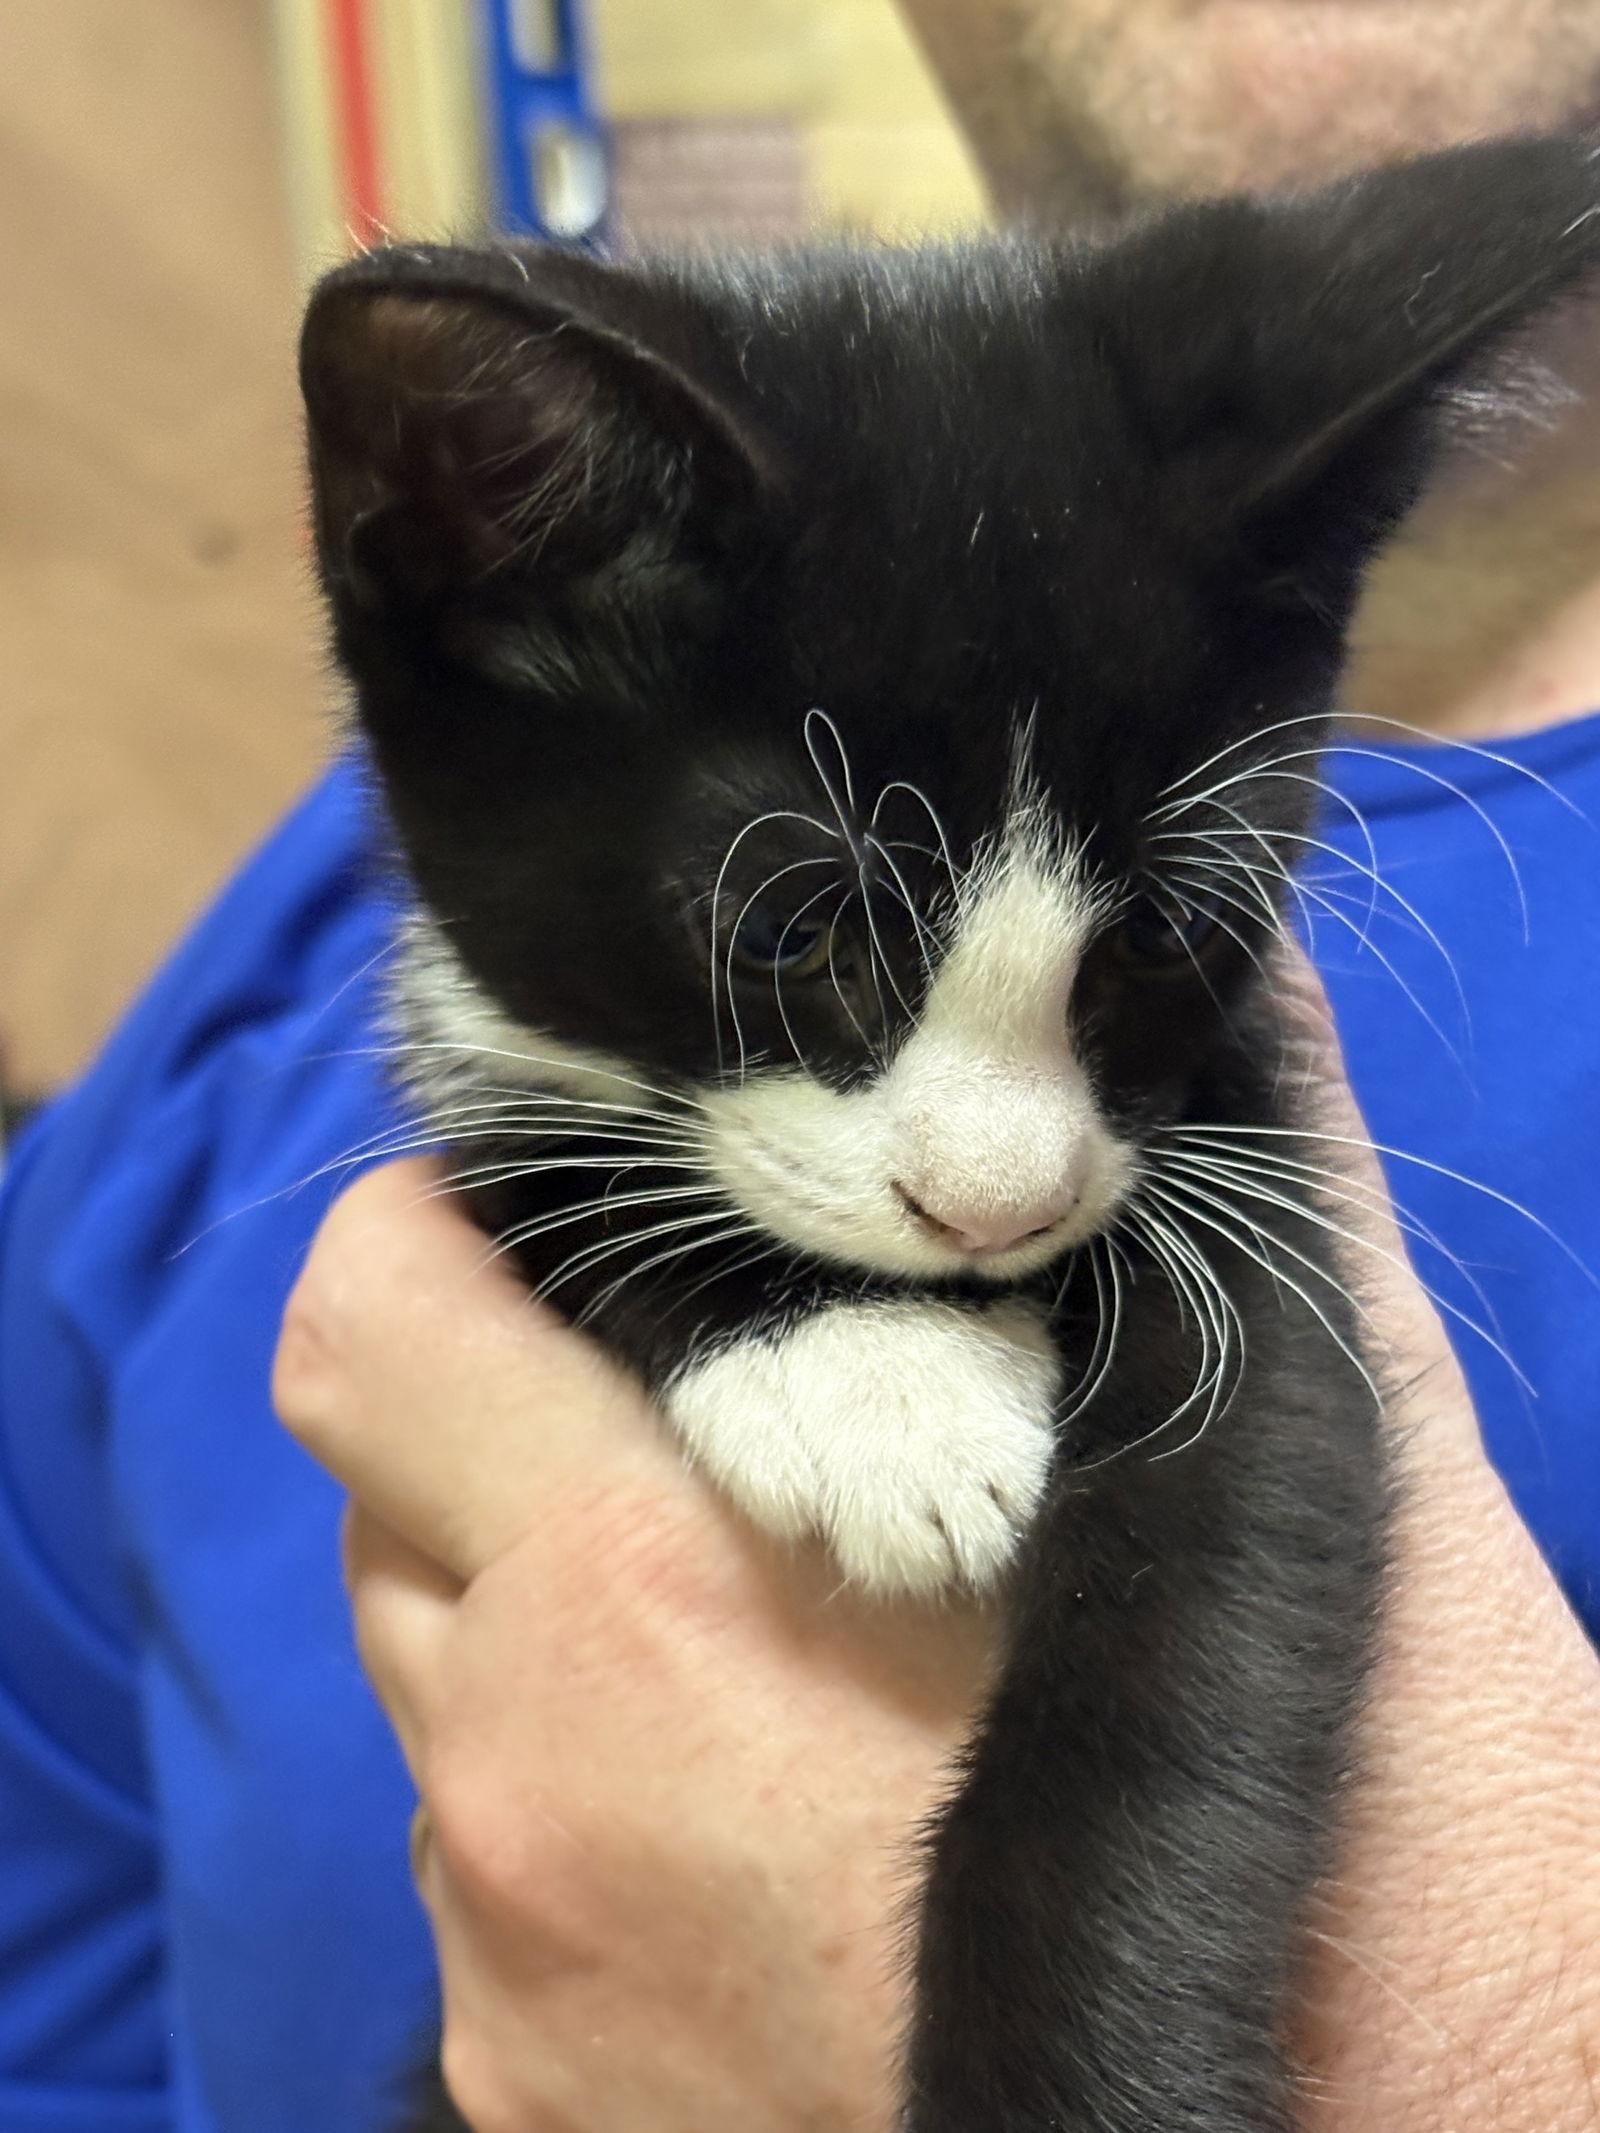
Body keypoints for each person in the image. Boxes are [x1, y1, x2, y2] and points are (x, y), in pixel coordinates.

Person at [3, 8, 1599, 2133]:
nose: (1005, 1172)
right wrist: (709, 1291)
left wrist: (1451, 2059)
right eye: (792, 933)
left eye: (1158, 946)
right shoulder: (276, 984)